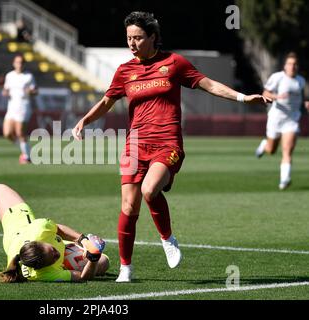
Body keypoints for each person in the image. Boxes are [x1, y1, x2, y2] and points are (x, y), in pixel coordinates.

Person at [72, 11, 270, 283]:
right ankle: (126, 267)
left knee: (150, 189)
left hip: (167, 142)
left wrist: (242, 97)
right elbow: (107, 101)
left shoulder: (174, 63)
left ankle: (167, 238)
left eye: (138, 37)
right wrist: (85, 119)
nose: (132, 43)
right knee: (129, 207)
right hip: (134, 145)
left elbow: (207, 84)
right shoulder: (125, 71)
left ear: (153, 37)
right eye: (129, 38)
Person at [255, 52, 309, 190]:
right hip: (276, 118)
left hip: (292, 120)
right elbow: (265, 94)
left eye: (295, 64)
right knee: (271, 150)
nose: (292, 66)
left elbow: (301, 98)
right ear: (285, 66)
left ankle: (284, 180)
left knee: (287, 150)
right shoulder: (277, 77)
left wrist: (306, 103)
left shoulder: (301, 81)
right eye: (290, 64)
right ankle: (264, 144)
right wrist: (277, 96)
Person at [2, 54, 37, 164]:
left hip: (23, 106)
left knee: (20, 132)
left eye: (21, 62)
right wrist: (5, 92)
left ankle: (27, 157)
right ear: (14, 63)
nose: (19, 64)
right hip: (11, 106)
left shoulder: (28, 76)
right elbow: (5, 89)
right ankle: (26, 150)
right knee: (7, 133)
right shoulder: (9, 76)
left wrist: (31, 91)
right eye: (17, 62)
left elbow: (35, 91)